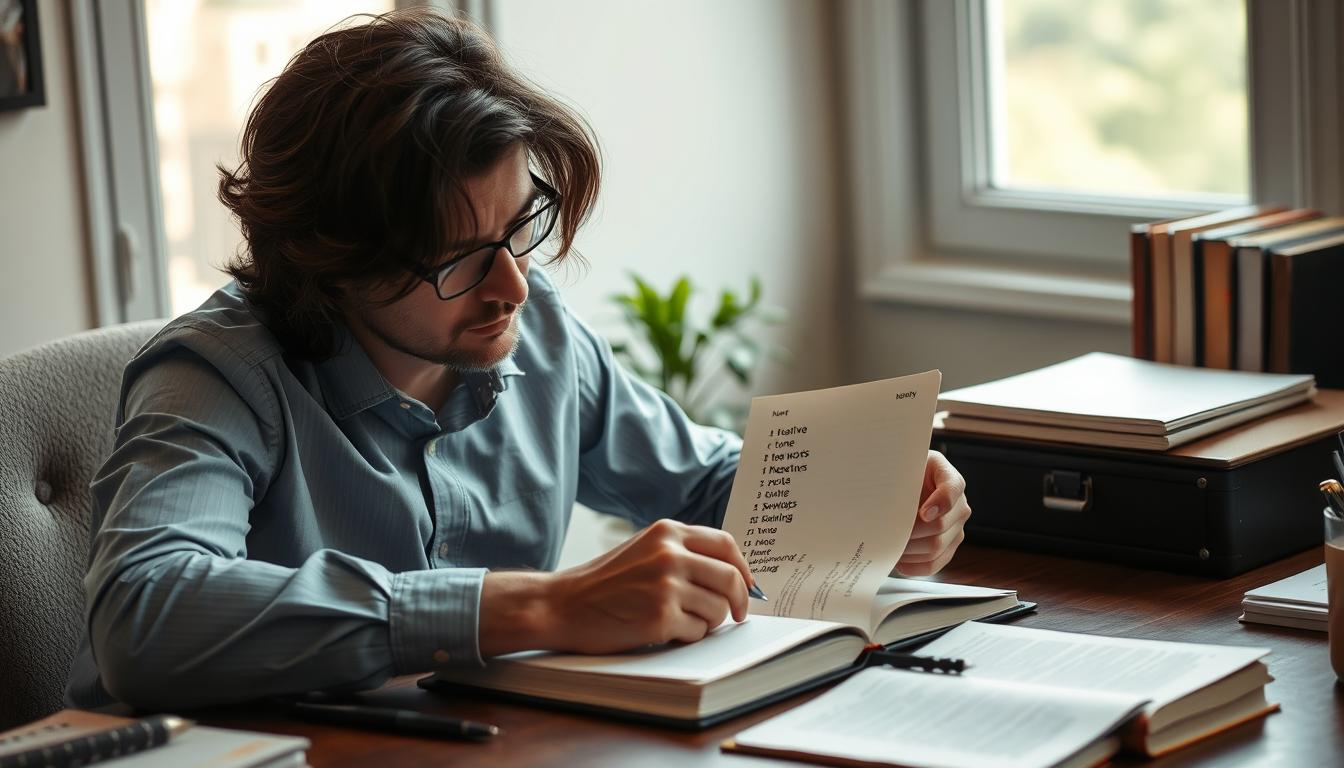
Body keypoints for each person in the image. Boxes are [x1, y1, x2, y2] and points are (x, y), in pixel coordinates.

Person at [66, 8, 970, 709]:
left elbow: (704, 487)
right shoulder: (218, 376)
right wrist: (538, 607)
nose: (514, 285)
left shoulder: (537, 339)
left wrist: (878, 504)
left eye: (518, 228)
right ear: (331, 259)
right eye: (460, 257)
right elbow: (145, 615)